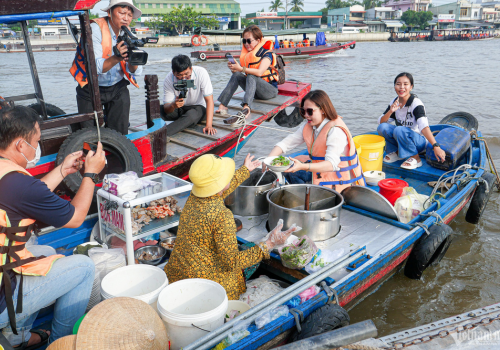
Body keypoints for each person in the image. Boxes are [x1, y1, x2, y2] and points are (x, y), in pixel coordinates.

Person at [0, 104, 106, 348]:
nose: (36, 147)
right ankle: (61, 343)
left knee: (47, 253)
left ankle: (18, 338)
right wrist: (90, 175)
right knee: (84, 268)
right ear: (20, 145)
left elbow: (26, 195)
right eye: (36, 141)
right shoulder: (20, 185)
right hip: (2, 298)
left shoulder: (7, 175)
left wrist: (62, 170)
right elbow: (77, 218)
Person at [165, 154, 296, 299]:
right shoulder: (222, 216)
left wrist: (245, 170)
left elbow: (220, 191)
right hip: (207, 286)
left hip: (178, 274)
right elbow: (232, 263)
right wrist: (269, 244)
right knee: (252, 254)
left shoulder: (194, 198)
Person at [265, 90, 365, 193]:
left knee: (293, 172)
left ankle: (306, 198)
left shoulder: (335, 131)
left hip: (339, 180)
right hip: (320, 170)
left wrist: (303, 166)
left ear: (323, 110)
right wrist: (268, 160)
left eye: (310, 111)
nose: (306, 116)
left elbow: (332, 165)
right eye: (303, 111)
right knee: (288, 168)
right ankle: (304, 194)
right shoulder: (309, 126)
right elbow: (287, 143)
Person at [71, 0, 143, 135]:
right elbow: (96, 68)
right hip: (90, 87)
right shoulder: (95, 29)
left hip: (116, 87)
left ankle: (118, 150)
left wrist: (134, 58)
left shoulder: (127, 34)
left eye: (129, 14)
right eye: (122, 13)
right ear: (110, 12)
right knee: (88, 134)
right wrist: (117, 57)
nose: (126, 18)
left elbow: (135, 71)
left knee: (120, 133)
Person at [377, 72, 446, 169]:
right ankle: (398, 153)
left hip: (418, 141)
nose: (401, 87)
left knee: (399, 129)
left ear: (411, 87)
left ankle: (416, 158)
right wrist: (390, 111)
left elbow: (424, 127)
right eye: (398, 84)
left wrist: (436, 146)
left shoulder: (416, 103)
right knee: (382, 127)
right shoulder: (395, 102)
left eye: (405, 84)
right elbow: (381, 122)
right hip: (402, 137)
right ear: (394, 86)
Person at [215, 25, 279, 124]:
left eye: (249, 41)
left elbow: (259, 72)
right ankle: (223, 105)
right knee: (236, 75)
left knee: (251, 75)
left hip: (269, 91)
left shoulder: (267, 54)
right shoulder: (249, 55)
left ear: (258, 41)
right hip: (254, 91)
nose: (246, 44)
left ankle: (246, 107)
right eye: (244, 41)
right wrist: (235, 69)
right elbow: (241, 73)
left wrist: (241, 68)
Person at [162, 55, 216, 136]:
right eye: (179, 75)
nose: (184, 78)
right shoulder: (169, 78)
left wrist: (209, 125)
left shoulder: (201, 72)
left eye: (187, 74)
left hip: (198, 109)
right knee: (156, 110)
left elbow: (209, 100)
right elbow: (166, 108)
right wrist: (173, 105)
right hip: (180, 108)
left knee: (192, 115)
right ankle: (183, 121)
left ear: (191, 69)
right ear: (173, 72)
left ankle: (163, 134)